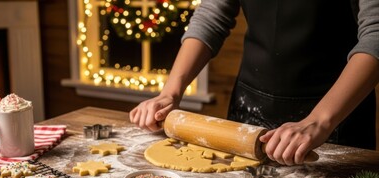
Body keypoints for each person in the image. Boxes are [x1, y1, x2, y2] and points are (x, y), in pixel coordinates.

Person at [129, 0, 379, 166]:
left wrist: (320, 121)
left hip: (334, 115)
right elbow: (212, 15)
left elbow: (376, 35)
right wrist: (170, 92)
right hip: (249, 104)